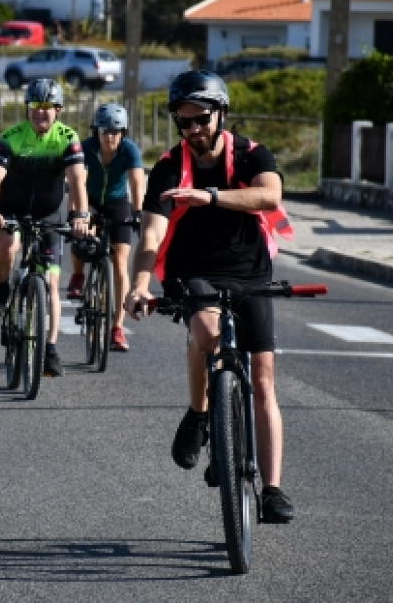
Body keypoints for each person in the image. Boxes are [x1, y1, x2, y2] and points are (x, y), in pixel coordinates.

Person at [124, 70, 296, 523]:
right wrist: (139, 285)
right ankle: (203, 416)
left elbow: (270, 196)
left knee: (263, 377)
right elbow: (150, 237)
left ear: (222, 114)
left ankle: (273, 489)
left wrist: (210, 197)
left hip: (249, 269)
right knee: (205, 332)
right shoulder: (166, 167)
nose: (194, 130)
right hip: (193, 269)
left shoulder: (251, 153)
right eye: (185, 122)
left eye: (201, 119)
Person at [0, 78, 90, 378]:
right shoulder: (11, 137)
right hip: (11, 210)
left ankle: (51, 348)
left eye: (47, 108)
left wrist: (80, 215)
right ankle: (3, 287)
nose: (40, 113)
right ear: (27, 109)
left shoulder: (67, 138)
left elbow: (77, 180)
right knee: (6, 245)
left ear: (58, 111)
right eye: (35, 107)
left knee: (52, 283)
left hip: (49, 215)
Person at [66, 103, 145, 353]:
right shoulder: (87, 147)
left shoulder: (129, 149)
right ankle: (78, 275)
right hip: (89, 200)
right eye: (104, 131)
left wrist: (138, 213)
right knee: (82, 234)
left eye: (115, 131)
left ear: (123, 133)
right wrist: (77, 214)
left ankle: (117, 328)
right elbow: (77, 180)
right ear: (96, 132)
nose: (110, 136)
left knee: (121, 262)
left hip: (117, 201)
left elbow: (136, 180)